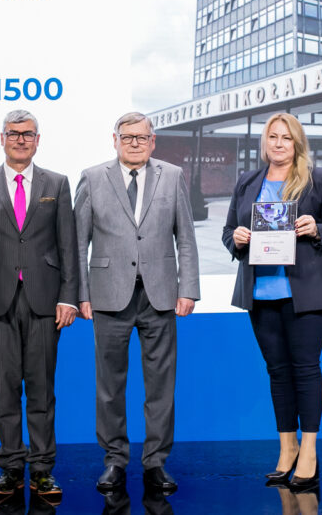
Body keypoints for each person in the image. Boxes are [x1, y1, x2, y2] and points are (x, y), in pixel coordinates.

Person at [222, 112, 322, 491]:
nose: (278, 143)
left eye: (286, 137)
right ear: (265, 142)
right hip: (260, 293)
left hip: (308, 293)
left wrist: (317, 229)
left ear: (297, 143)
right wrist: (237, 238)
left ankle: (308, 452)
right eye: (273, 137)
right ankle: (287, 448)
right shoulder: (247, 182)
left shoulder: (318, 178)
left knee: (305, 370)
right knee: (277, 372)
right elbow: (228, 232)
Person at [75, 111, 200, 495]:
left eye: (141, 137)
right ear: (114, 140)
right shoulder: (93, 177)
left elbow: (185, 238)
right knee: (109, 386)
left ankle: (156, 462)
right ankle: (114, 459)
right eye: (127, 137)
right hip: (108, 295)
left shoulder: (172, 176)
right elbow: (78, 243)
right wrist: (81, 294)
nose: (134, 143)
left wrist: (188, 288)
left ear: (153, 141)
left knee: (161, 385)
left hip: (159, 295)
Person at [0, 110, 78, 500]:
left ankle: (42, 470)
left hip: (45, 301)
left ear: (37, 140)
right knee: (5, 388)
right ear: (2, 138)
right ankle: (11, 469)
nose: (21, 140)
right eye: (13, 134)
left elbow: (68, 247)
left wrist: (69, 296)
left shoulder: (57, 184)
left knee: (42, 389)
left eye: (28, 134)